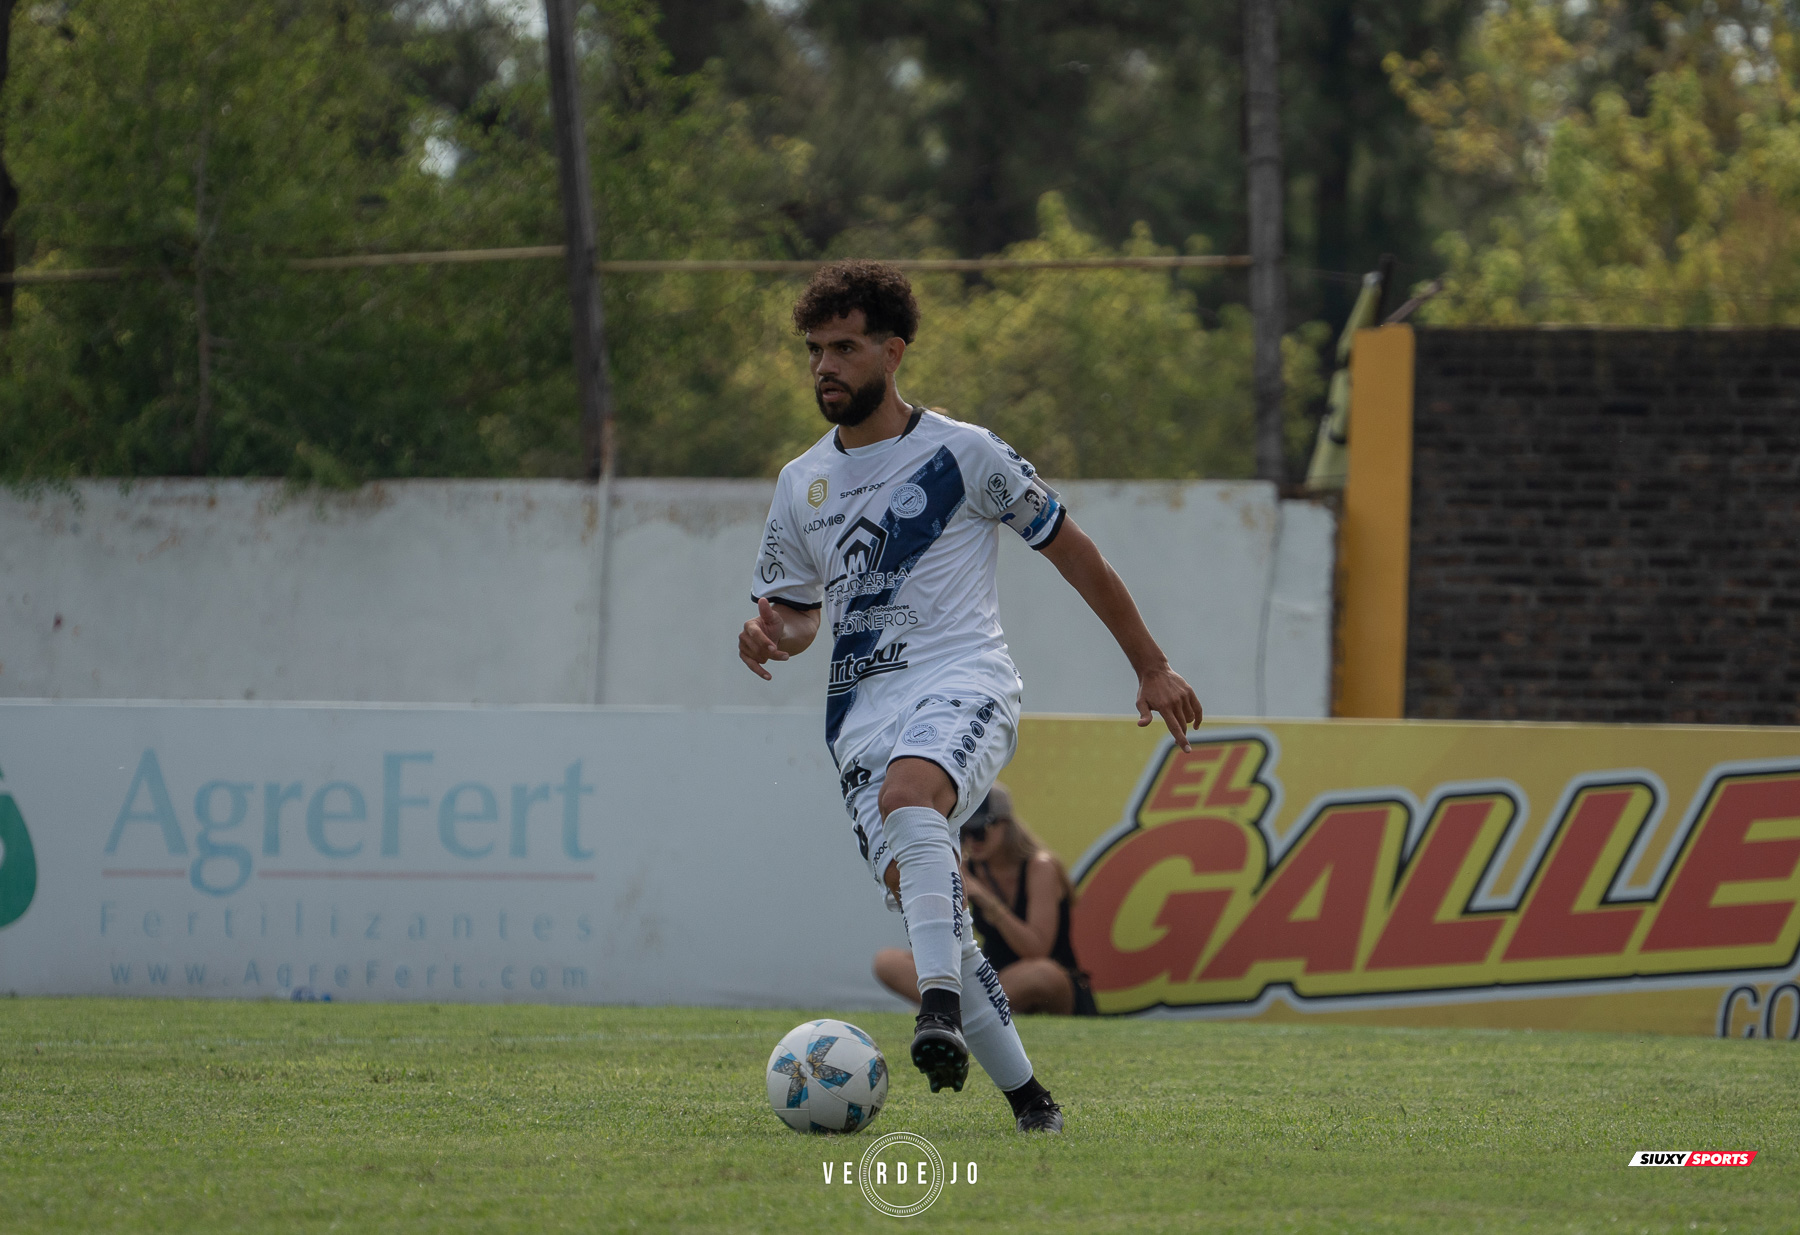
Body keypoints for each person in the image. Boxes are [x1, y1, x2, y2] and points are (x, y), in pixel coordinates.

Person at [737, 260, 1202, 1134]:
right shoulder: (800, 483)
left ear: (892, 350)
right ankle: (1033, 1104)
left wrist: (1150, 664)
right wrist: (769, 634)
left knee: (914, 800)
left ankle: (937, 1010)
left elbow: (1073, 550)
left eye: (844, 347)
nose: (824, 366)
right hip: (860, 721)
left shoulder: (964, 453)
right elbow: (799, 618)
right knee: (938, 916)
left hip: (963, 679)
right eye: (814, 350)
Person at [874, 784, 1098, 1017]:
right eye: (965, 831)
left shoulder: (1040, 867)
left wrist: (984, 897)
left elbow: (1037, 950)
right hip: (993, 979)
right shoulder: (966, 867)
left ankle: (954, 1007)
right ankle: (969, 1007)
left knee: (1041, 973)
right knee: (887, 962)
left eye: (980, 831)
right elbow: (938, 938)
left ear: (1006, 826)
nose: (972, 841)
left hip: (1050, 982)